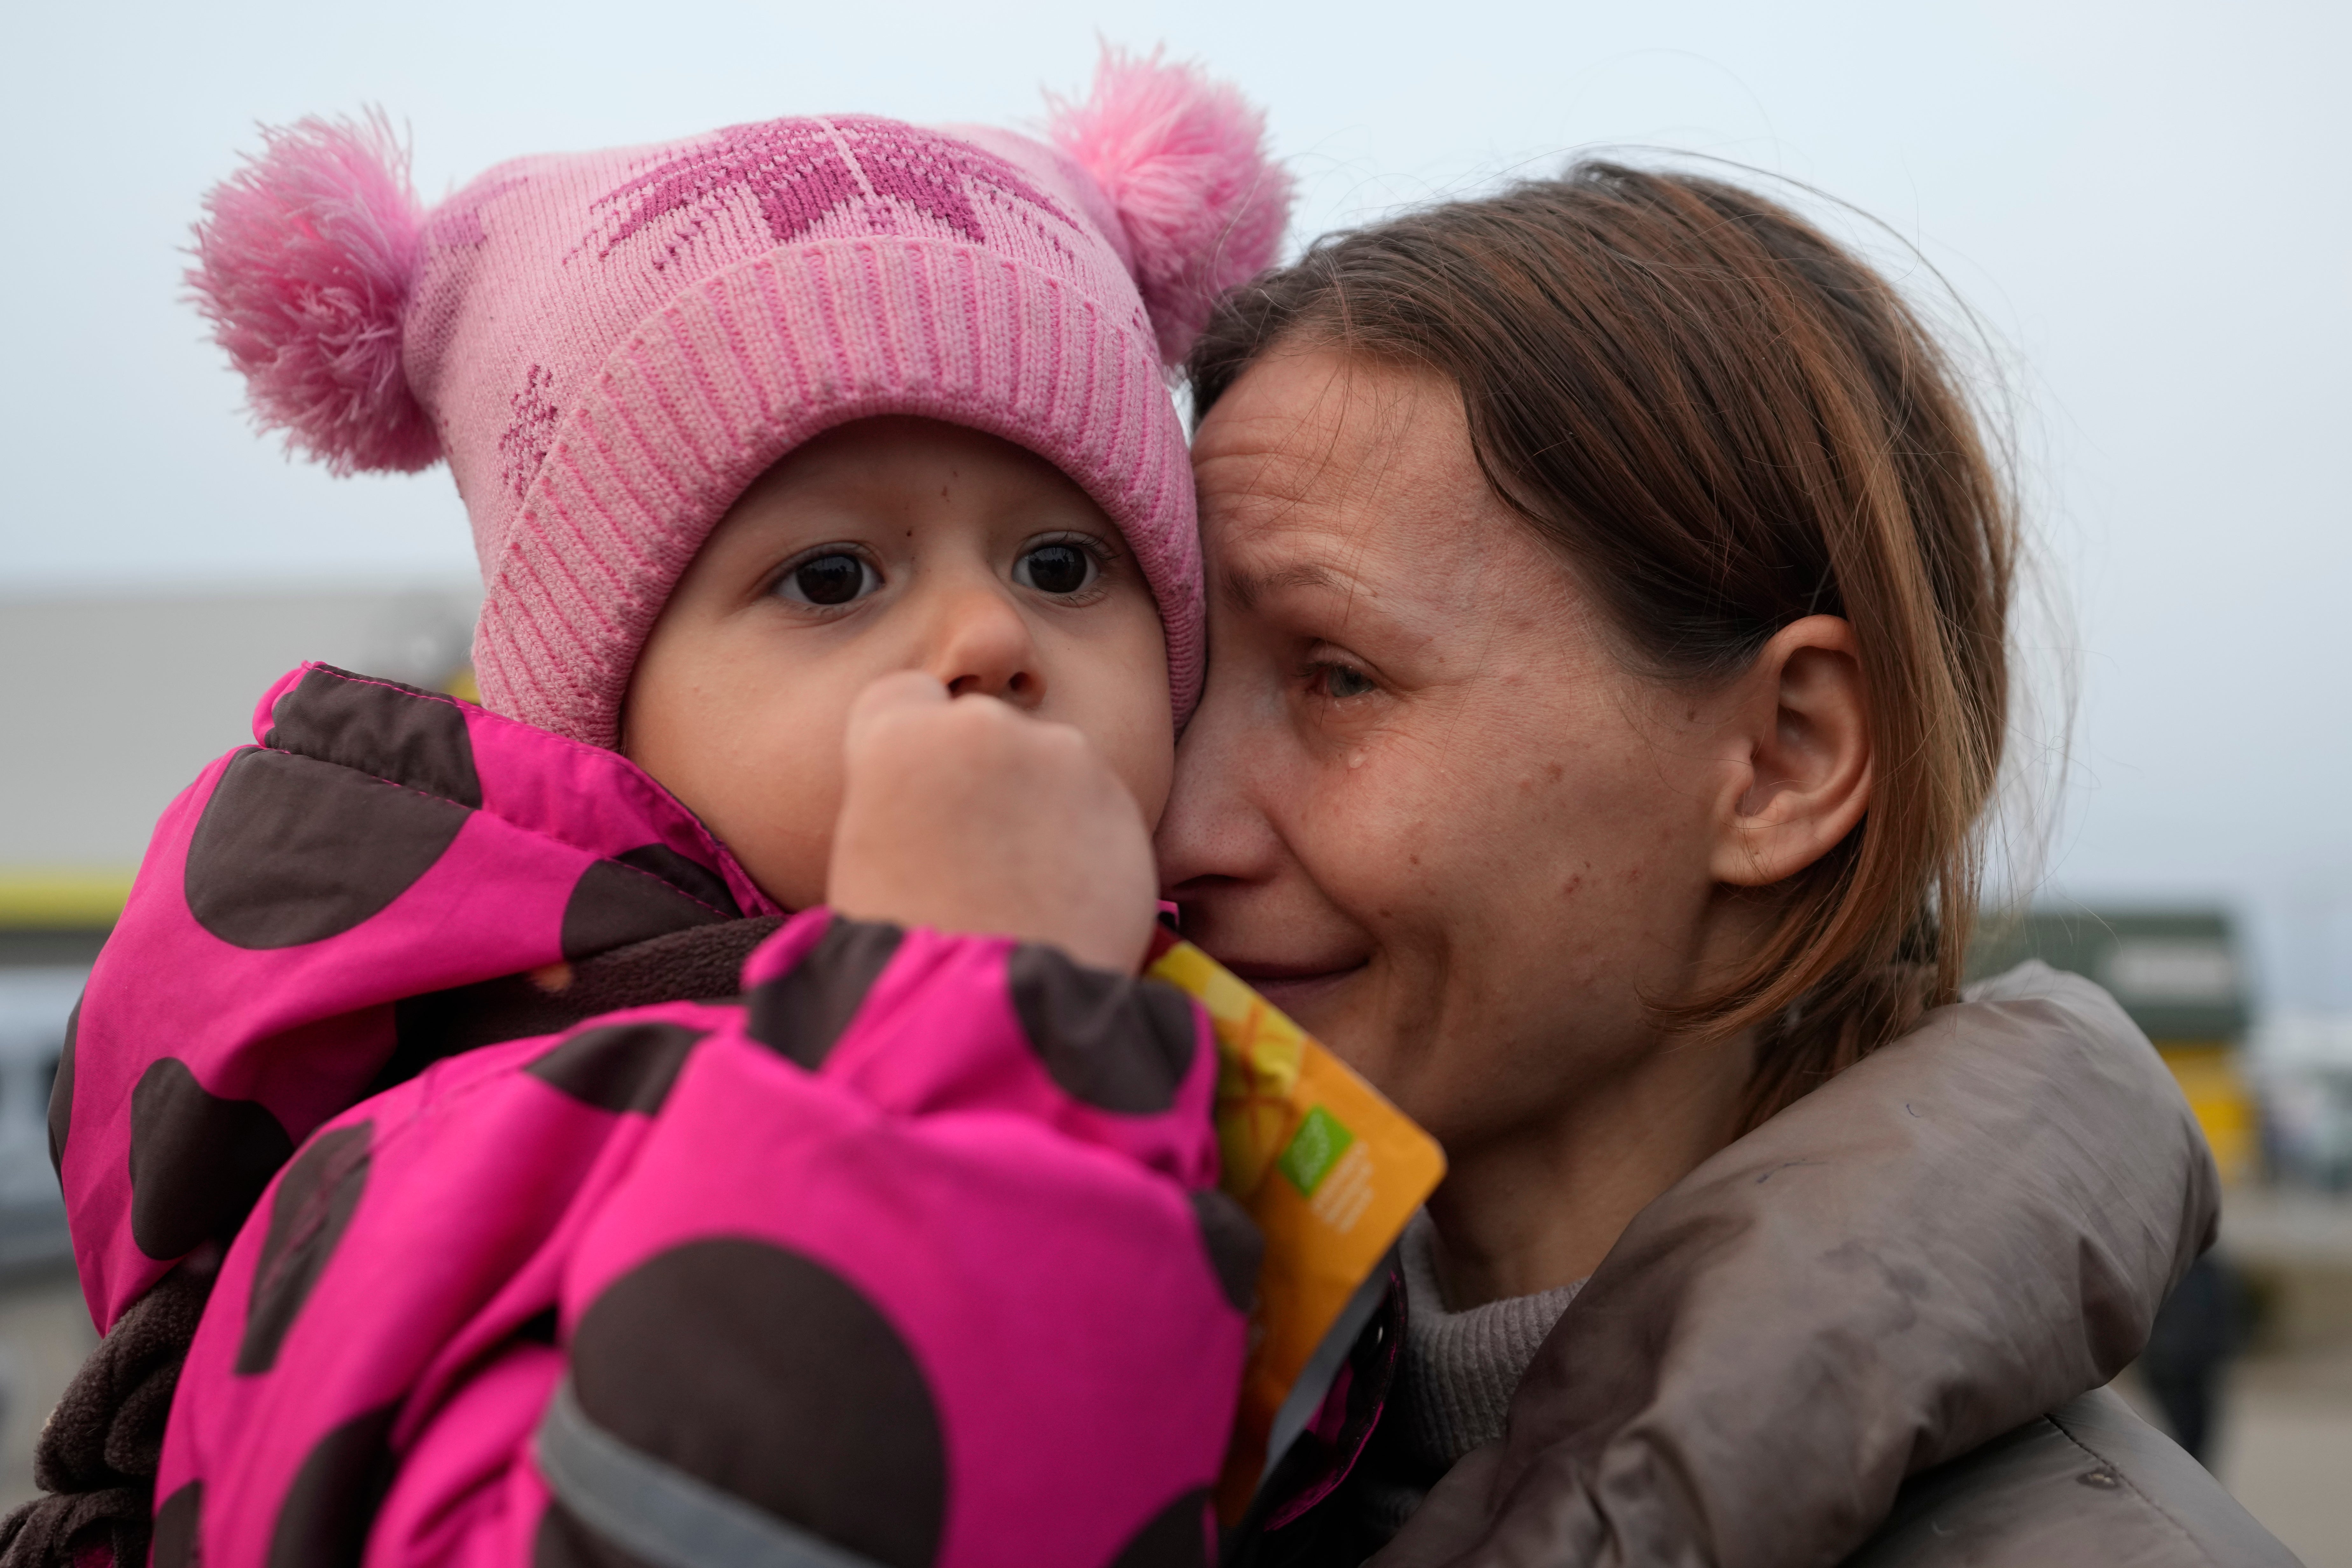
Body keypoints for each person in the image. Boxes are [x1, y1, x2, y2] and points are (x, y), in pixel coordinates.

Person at [14, 52, 1291, 1568]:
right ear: (602, 710)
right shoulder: (475, 1133)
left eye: (1064, 566)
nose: (989, 637)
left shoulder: (1188, 1023)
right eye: (832, 577)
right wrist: (978, 1035)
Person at [1163, 164, 2295, 1564]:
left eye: (1337, 677)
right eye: (1186, 676)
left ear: (1784, 760)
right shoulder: (1160, 1452)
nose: (1180, 828)